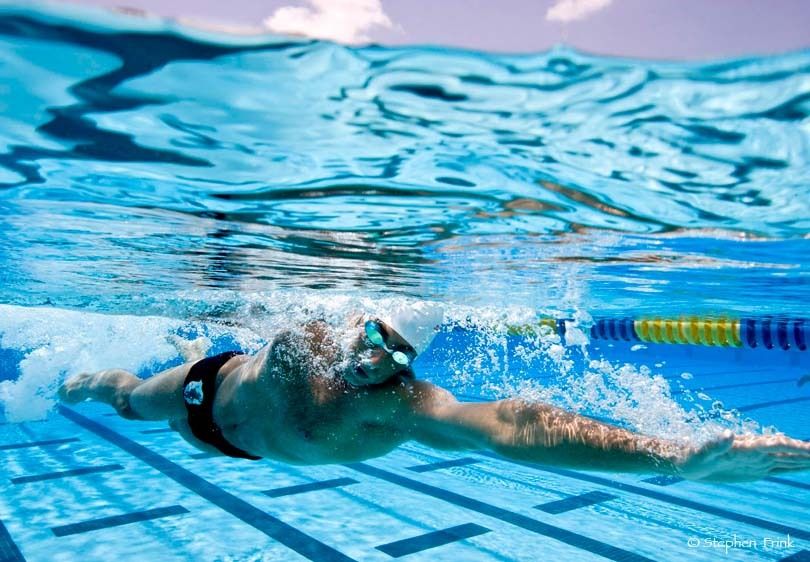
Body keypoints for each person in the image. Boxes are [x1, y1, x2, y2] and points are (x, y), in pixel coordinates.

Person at [59, 309, 810, 482]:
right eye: (364, 339)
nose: (367, 360)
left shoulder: (402, 405)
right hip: (208, 390)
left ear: (404, 360)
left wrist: (670, 458)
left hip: (239, 440)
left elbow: (515, 425)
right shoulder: (305, 335)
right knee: (125, 399)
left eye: (387, 352)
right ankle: (82, 374)